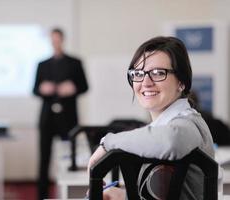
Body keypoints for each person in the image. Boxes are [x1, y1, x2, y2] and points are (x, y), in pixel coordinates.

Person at [87, 36, 214, 200]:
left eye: (158, 73)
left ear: (181, 82)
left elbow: (172, 140)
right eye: (138, 73)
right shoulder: (161, 127)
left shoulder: (188, 124)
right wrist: (123, 196)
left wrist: (108, 143)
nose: (146, 82)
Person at [33, 27, 88, 200]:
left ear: (62, 40)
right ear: (50, 41)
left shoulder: (75, 62)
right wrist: (43, 89)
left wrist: (73, 88)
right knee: (44, 159)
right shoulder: (42, 64)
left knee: (70, 157)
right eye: (52, 40)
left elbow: (85, 86)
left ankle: (67, 195)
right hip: (47, 118)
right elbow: (34, 89)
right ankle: (41, 196)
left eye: (58, 39)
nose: (55, 43)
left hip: (68, 118)